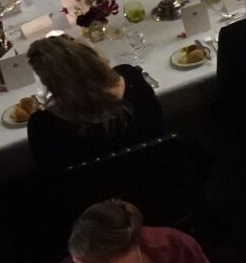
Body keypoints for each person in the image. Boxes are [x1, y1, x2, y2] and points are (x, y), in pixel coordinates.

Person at [23, 32, 168, 179]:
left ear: (51, 82)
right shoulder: (132, 77)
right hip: (160, 177)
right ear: (90, 57)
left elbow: (54, 181)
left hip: (97, 199)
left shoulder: (43, 126)